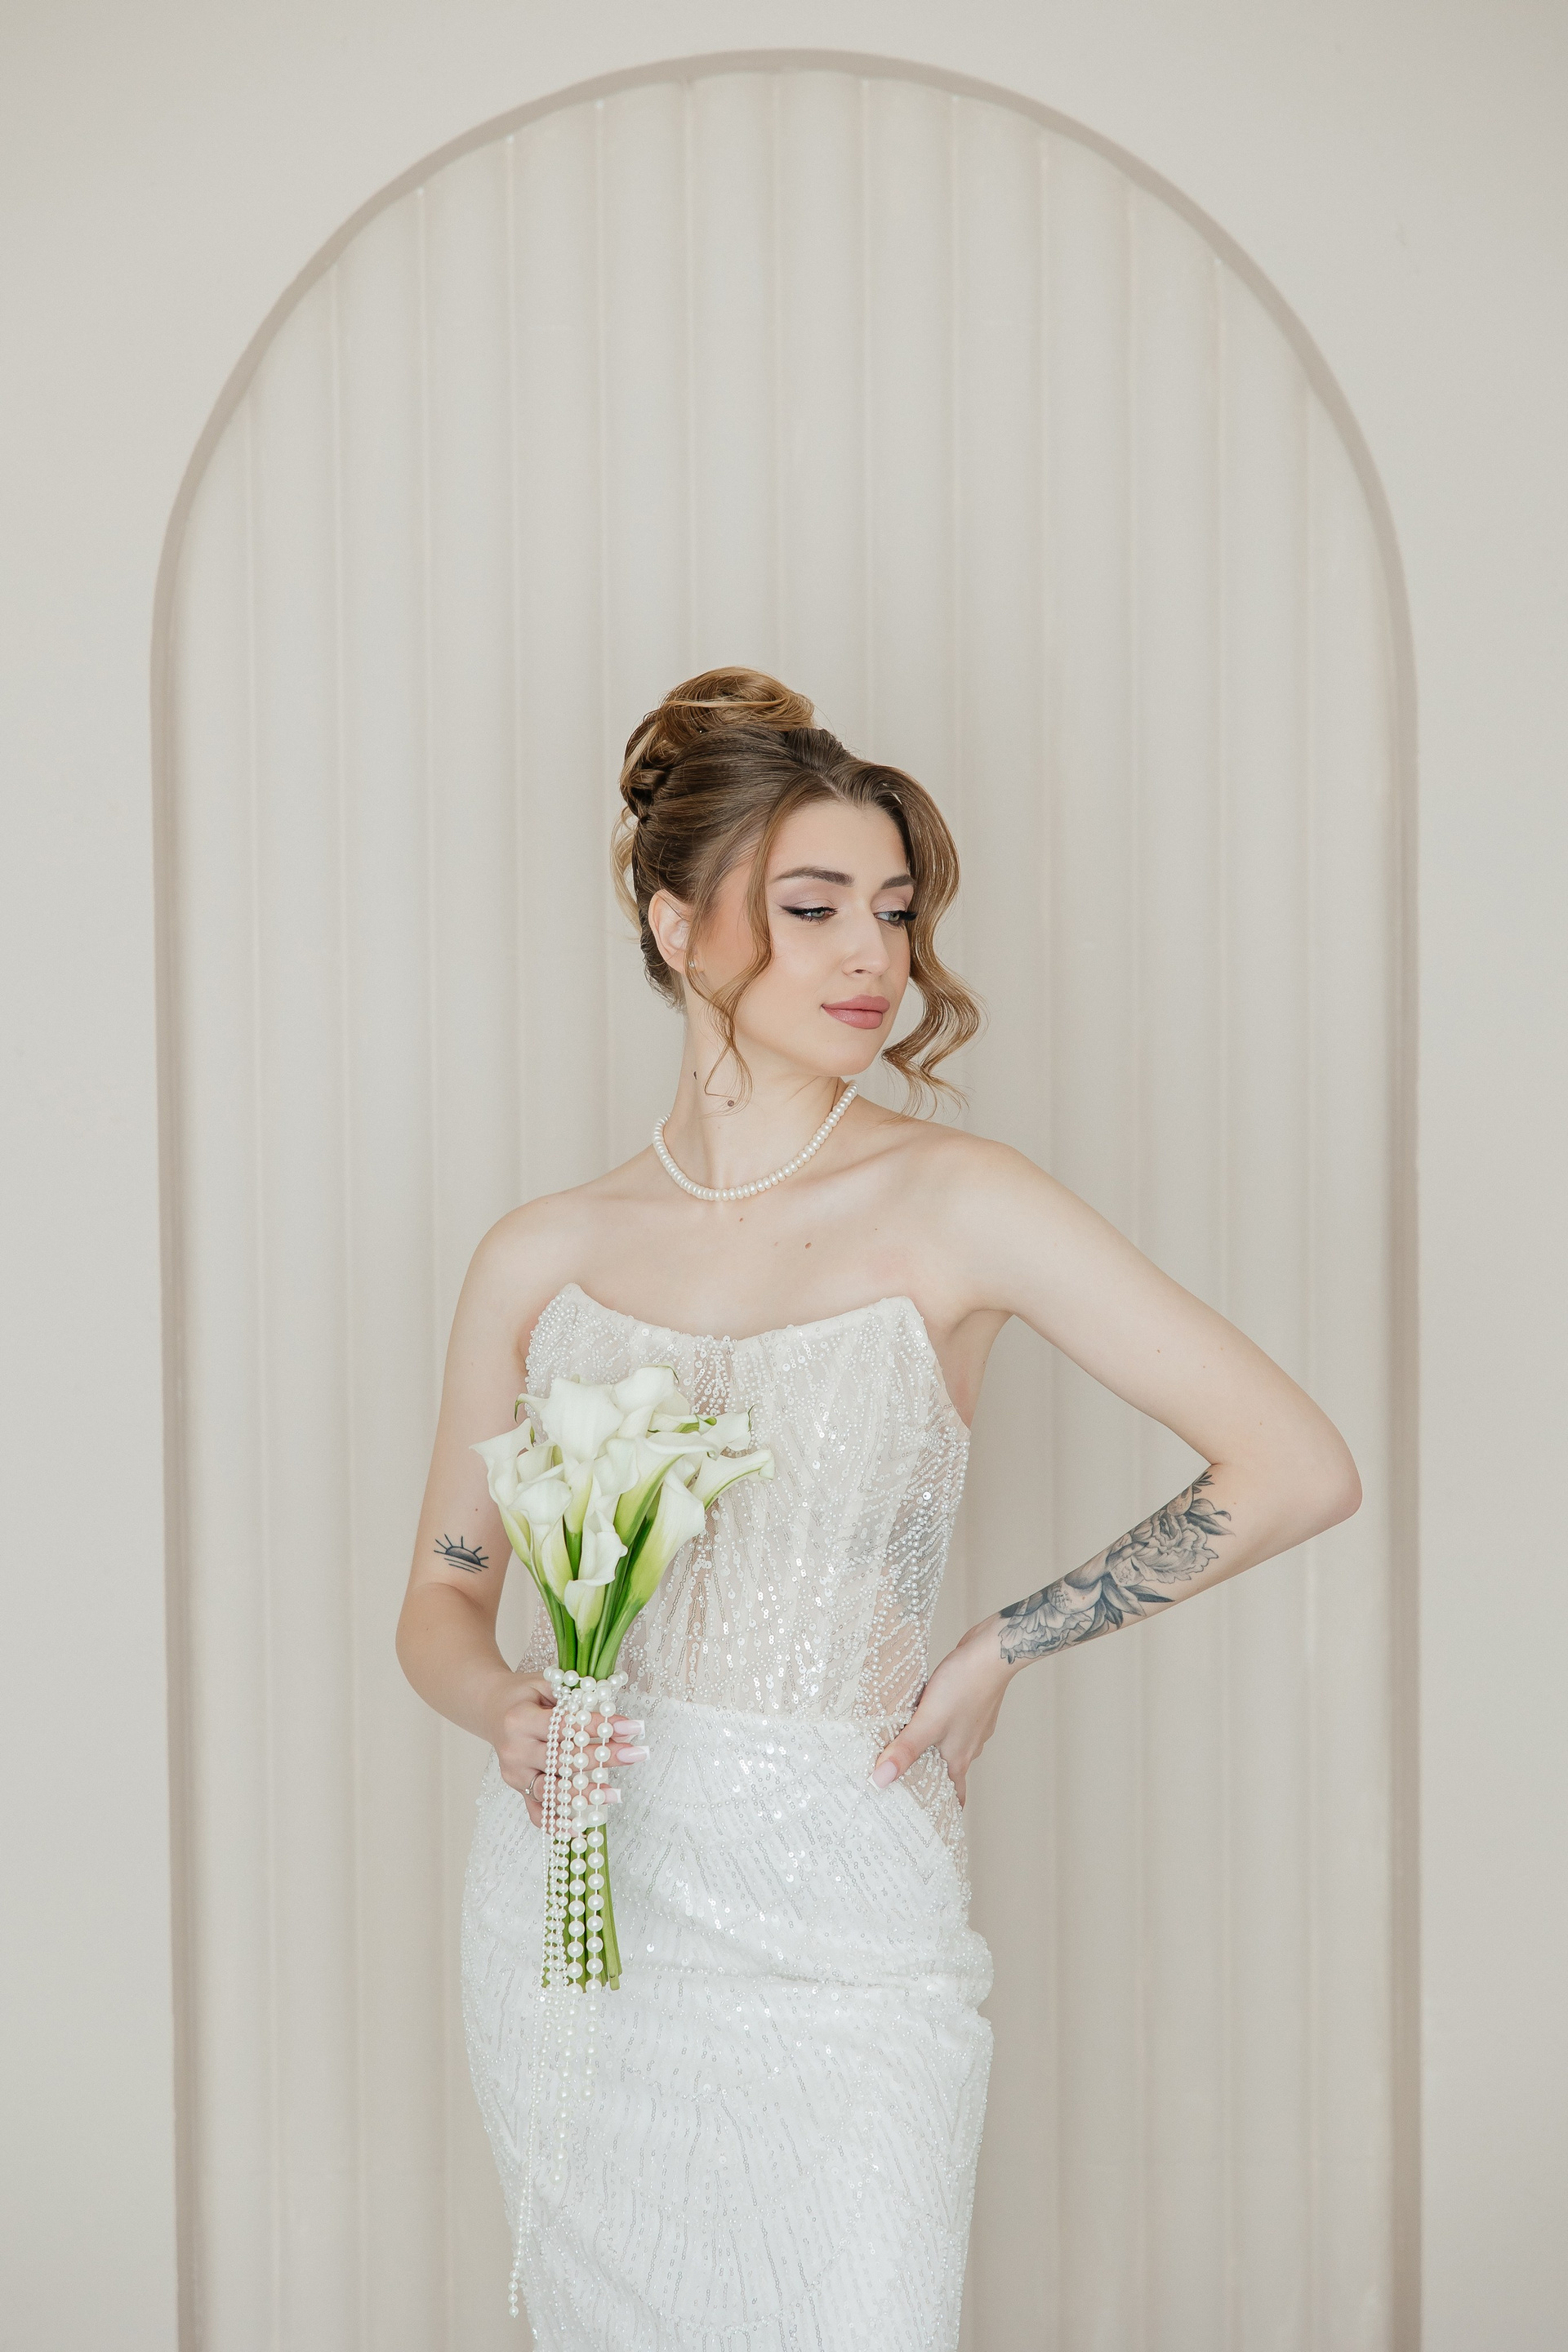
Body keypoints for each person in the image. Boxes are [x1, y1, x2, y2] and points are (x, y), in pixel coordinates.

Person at [395, 667, 1361, 2350]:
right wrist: (505, 1711)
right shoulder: (541, 1255)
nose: (874, 957)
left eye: (898, 912)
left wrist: (1005, 1644)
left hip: (844, 1901)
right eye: (814, 906)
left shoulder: (959, 1201)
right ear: (677, 925)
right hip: (582, 1905)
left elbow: (1295, 1465)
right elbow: (440, 1599)